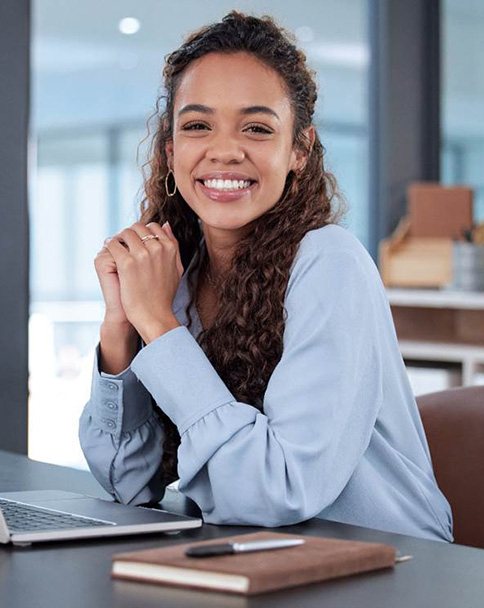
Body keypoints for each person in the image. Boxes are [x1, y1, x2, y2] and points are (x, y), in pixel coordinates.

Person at [79, 11, 452, 541]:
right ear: (170, 151)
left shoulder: (330, 263)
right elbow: (127, 483)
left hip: (384, 566)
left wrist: (159, 328)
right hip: (255, 555)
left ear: (298, 149)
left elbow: (277, 490)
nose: (225, 150)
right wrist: (122, 324)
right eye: (197, 125)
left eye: (256, 127)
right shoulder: (175, 273)